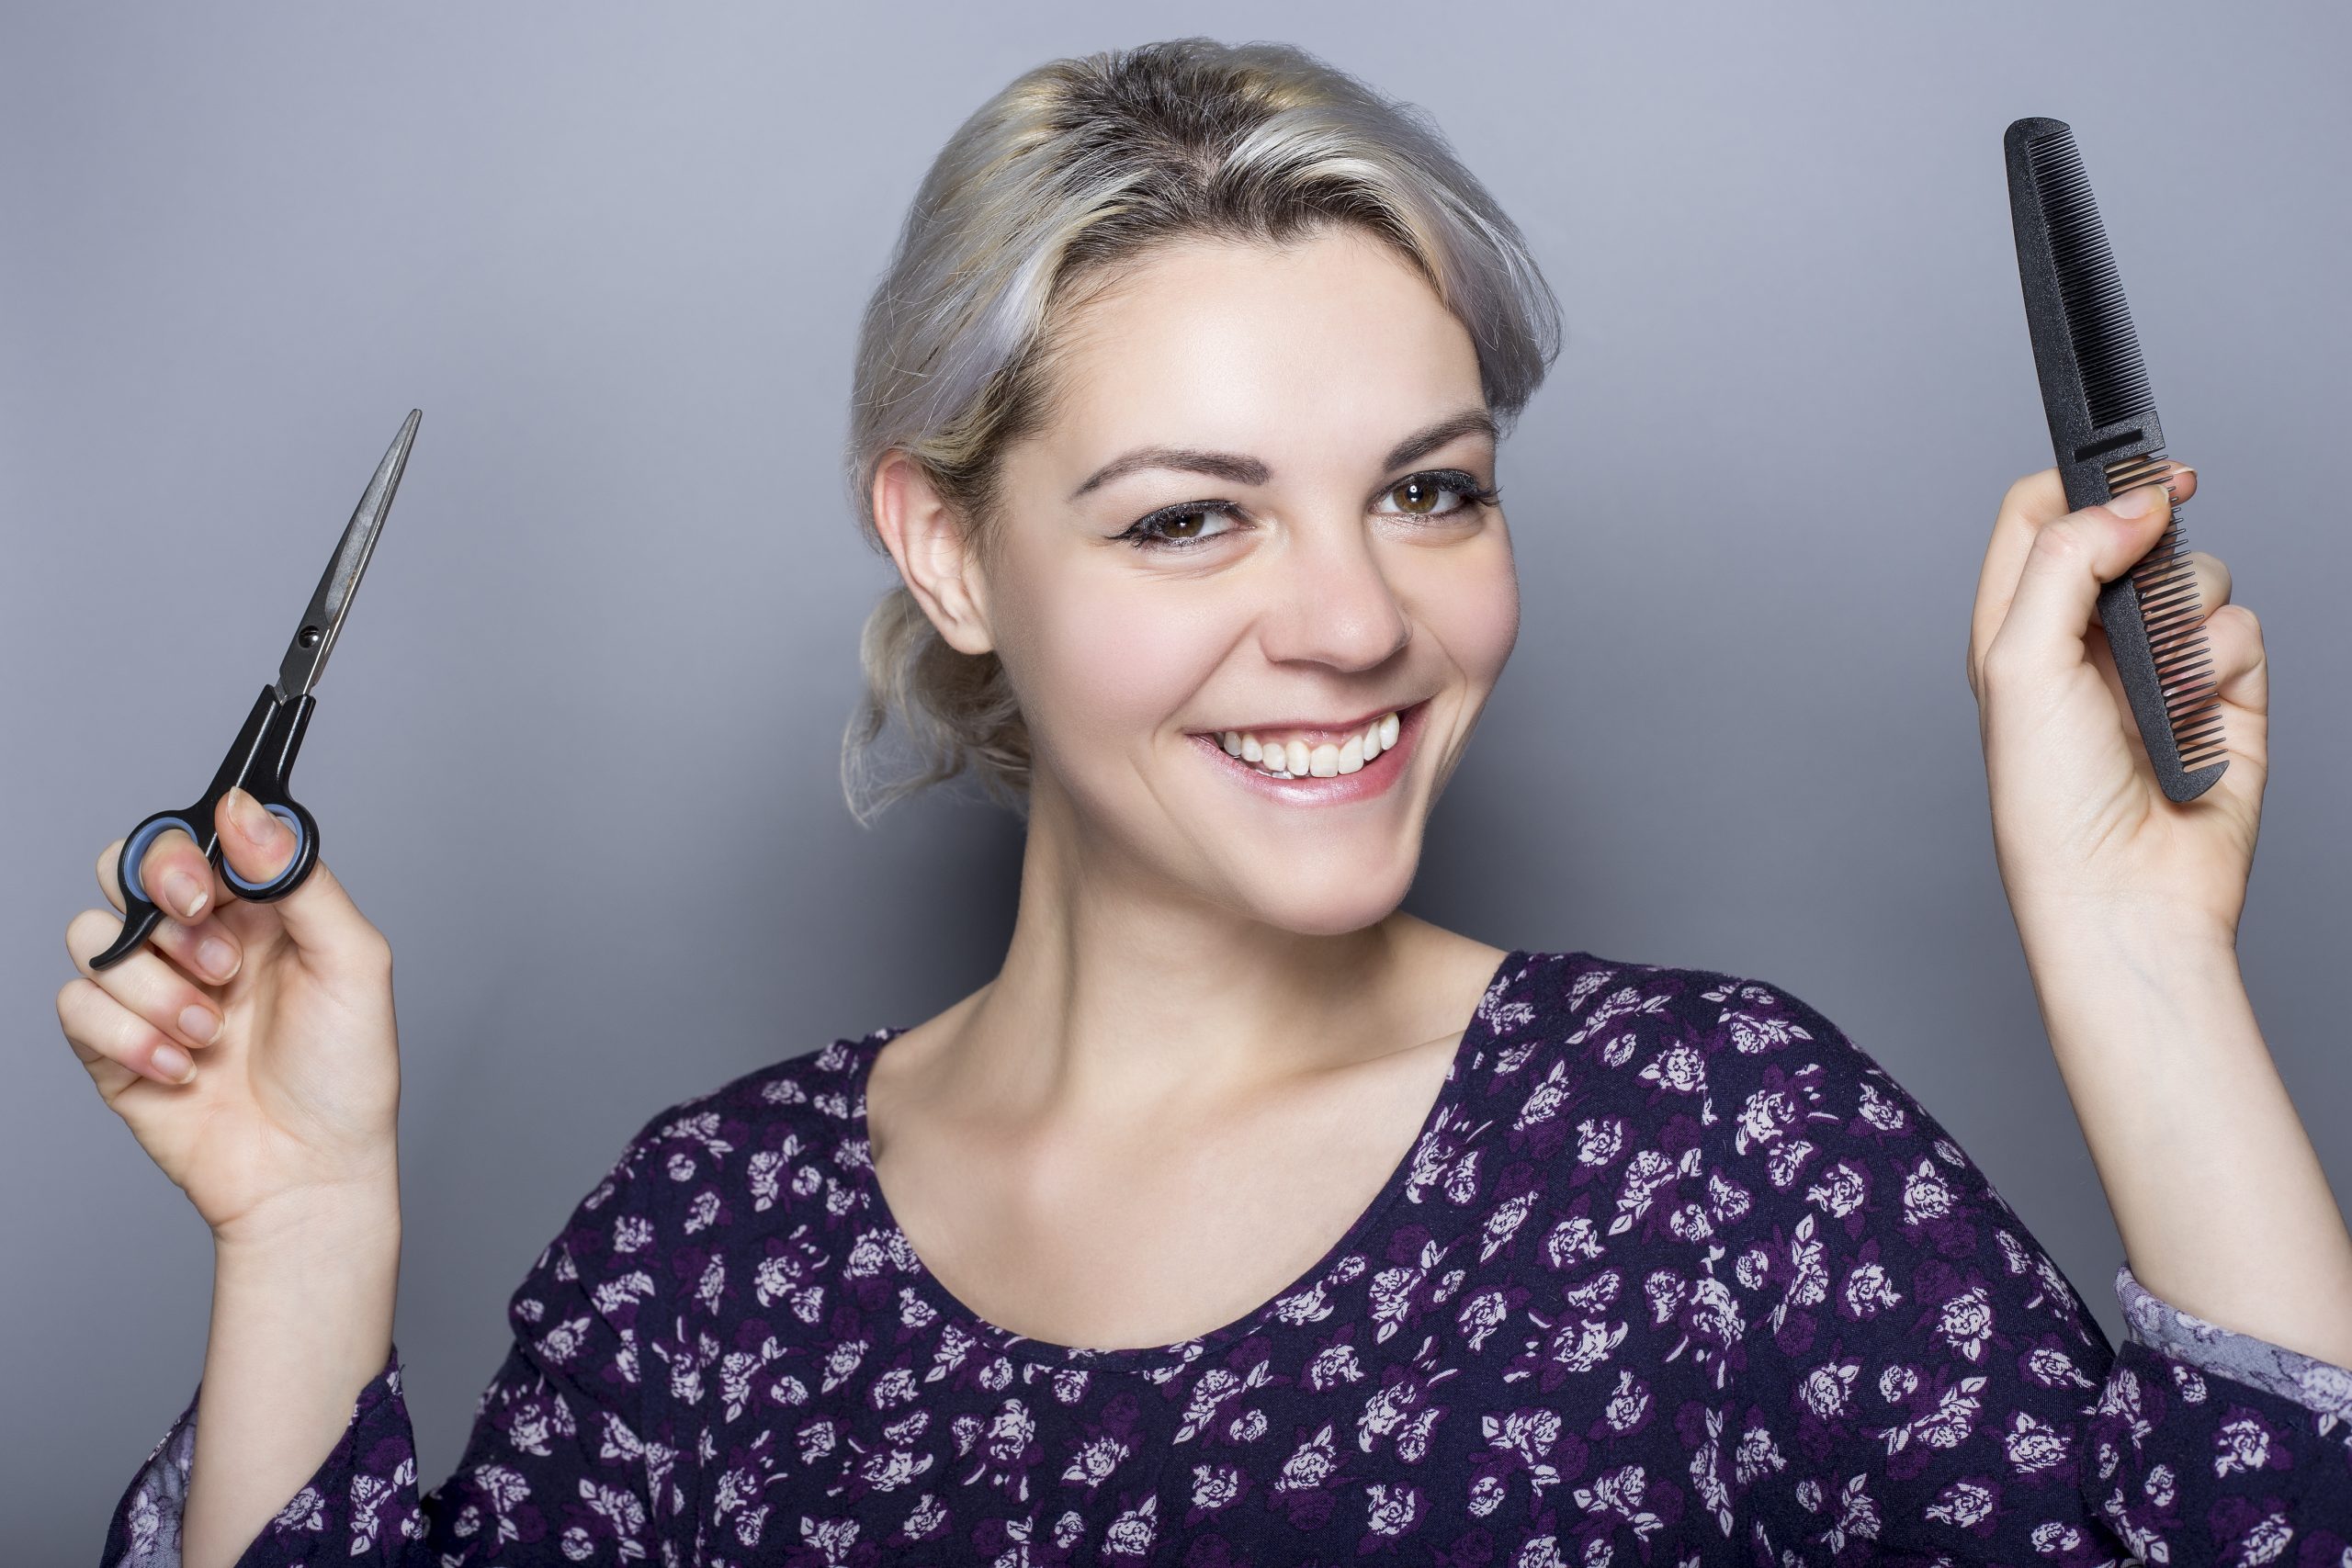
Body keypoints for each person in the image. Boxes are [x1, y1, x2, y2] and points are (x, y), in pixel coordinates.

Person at [71, 36, 2351, 1568]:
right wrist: (298, 1232)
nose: (1352, 622)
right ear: (949, 547)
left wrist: (2141, 954)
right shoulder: (708, 1252)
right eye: (1189, 517)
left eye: (1428, 492)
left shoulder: (1704, 1147)